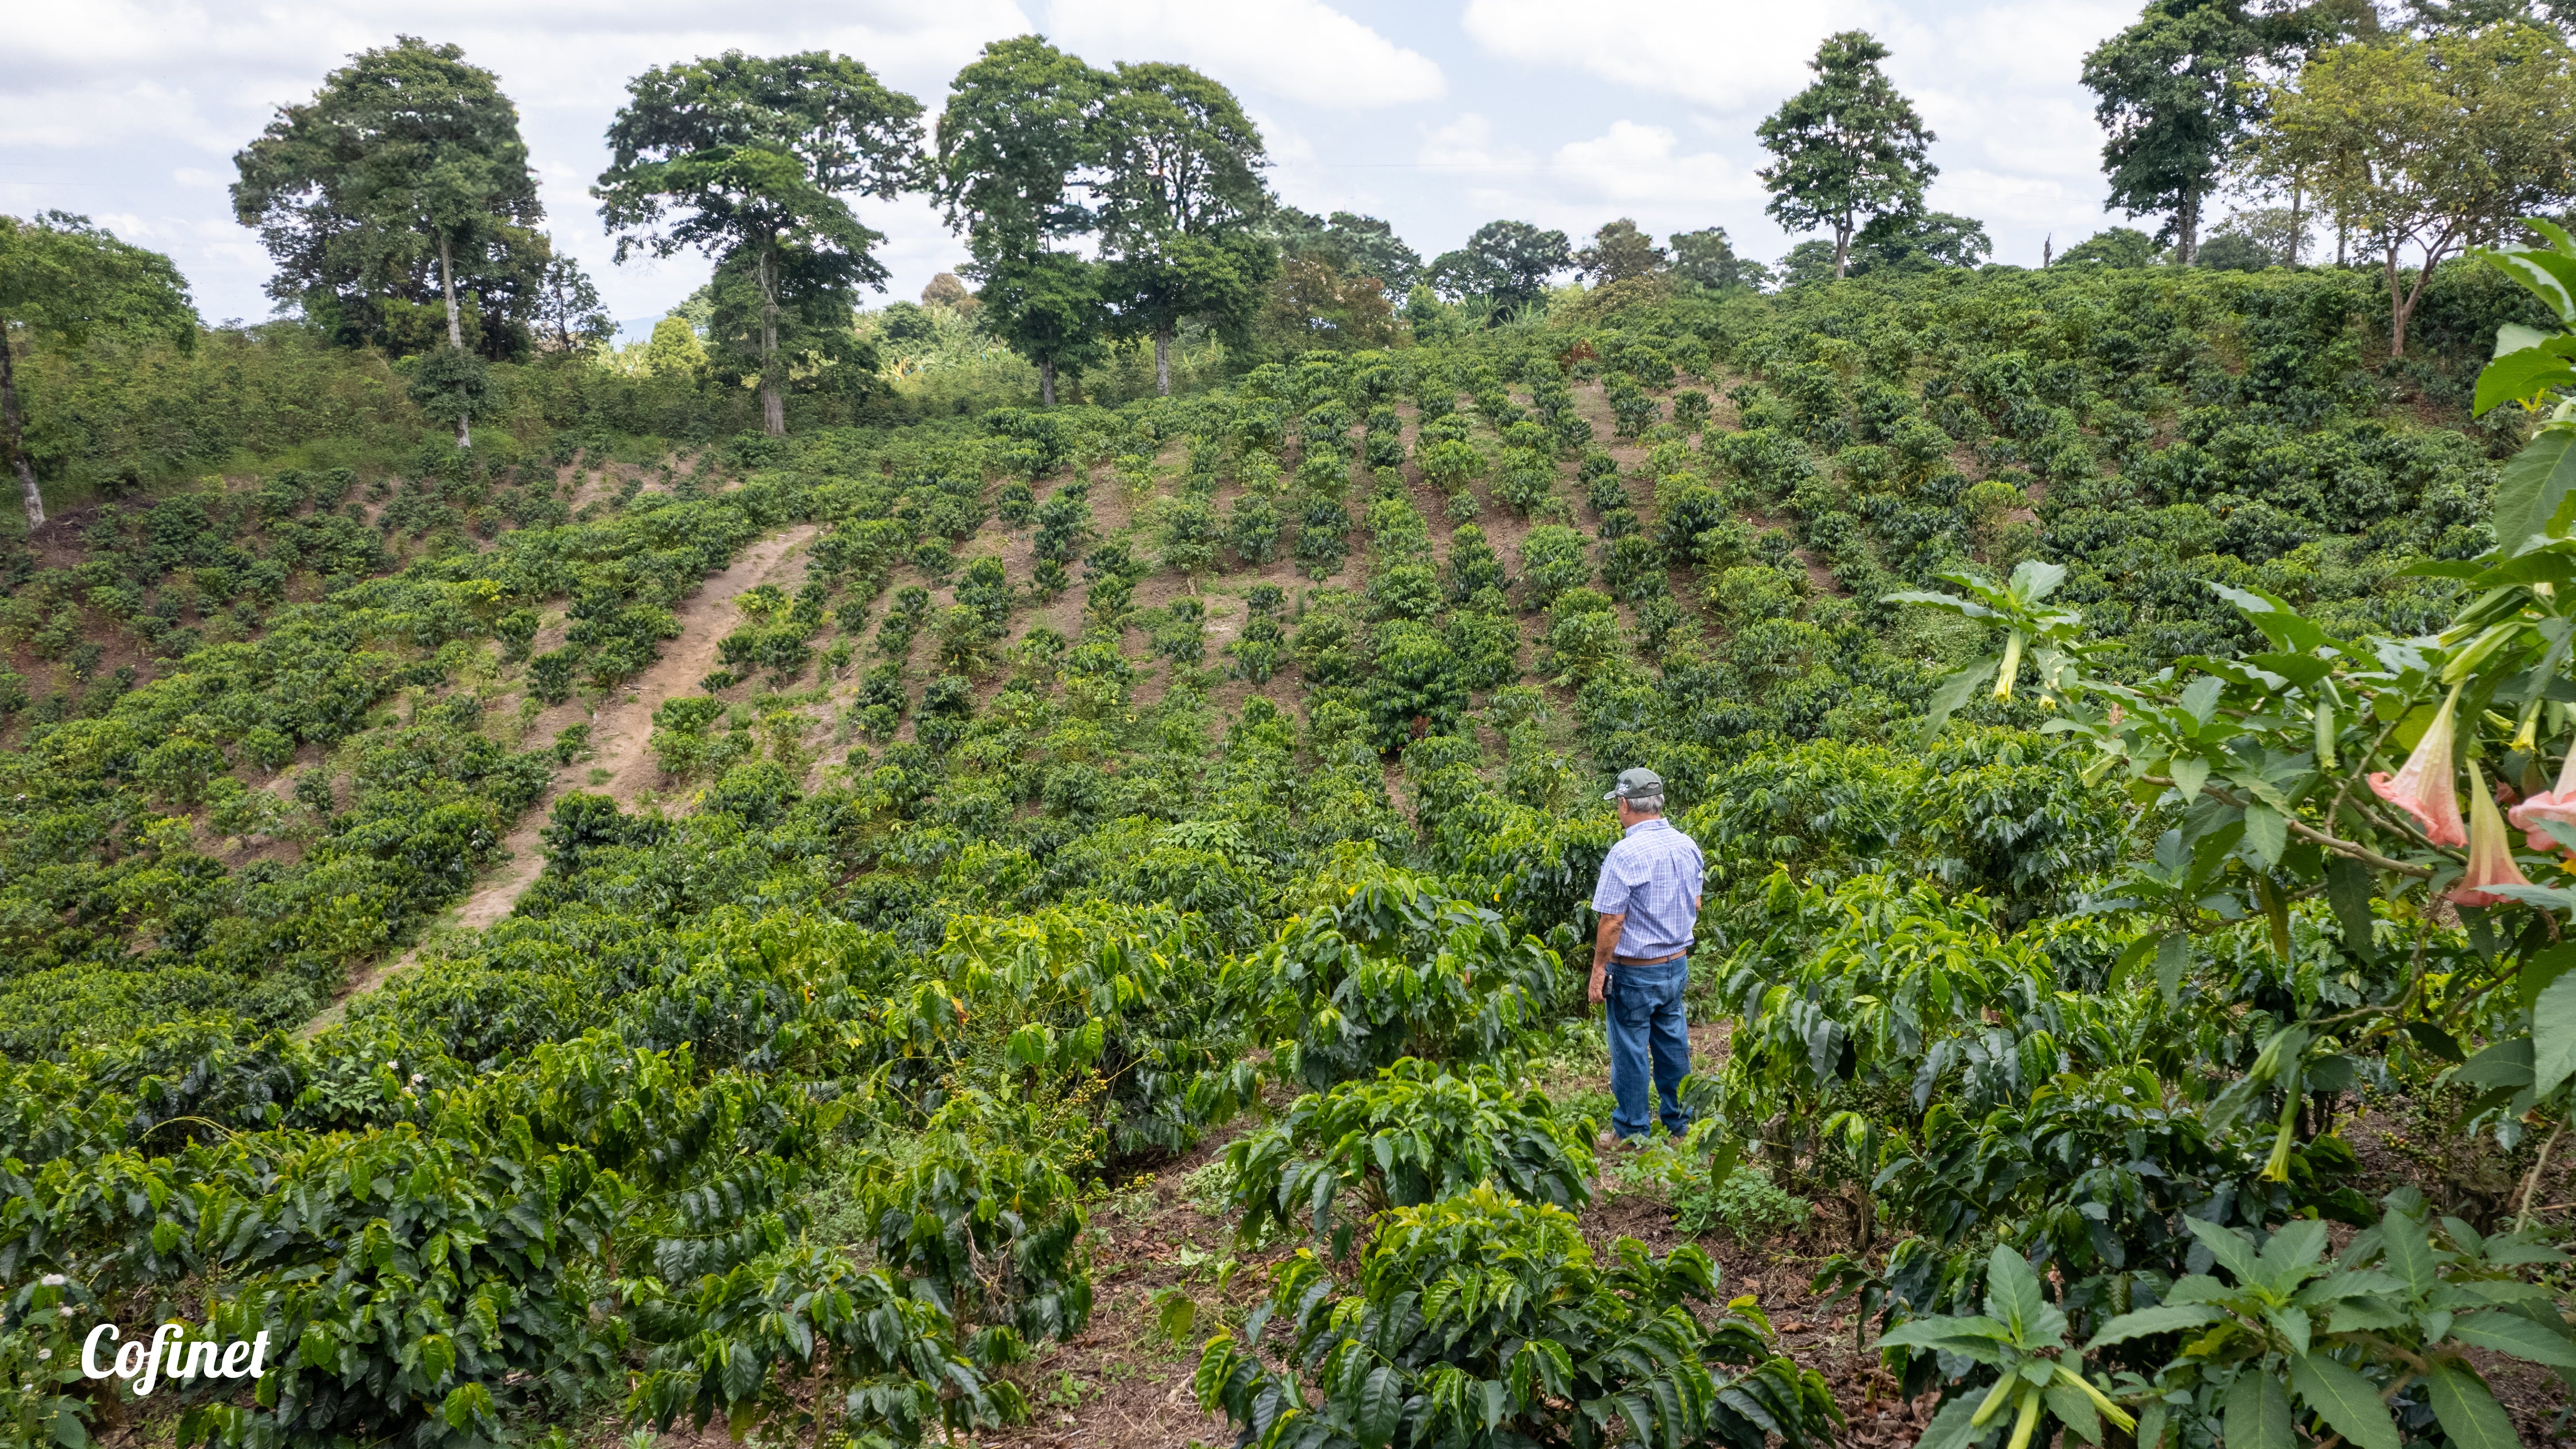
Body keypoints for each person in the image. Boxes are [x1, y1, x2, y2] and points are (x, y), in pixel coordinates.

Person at [1587, 766, 1703, 1144]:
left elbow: (1612, 921)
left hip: (1635, 971)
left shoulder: (1625, 853)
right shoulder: (1687, 845)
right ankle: (1680, 1124)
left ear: (1624, 804)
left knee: (1631, 1048)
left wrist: (1598, 971)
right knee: (1672, 1043)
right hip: (1676, 964)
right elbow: (1697, 903)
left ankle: (1633, 1131)